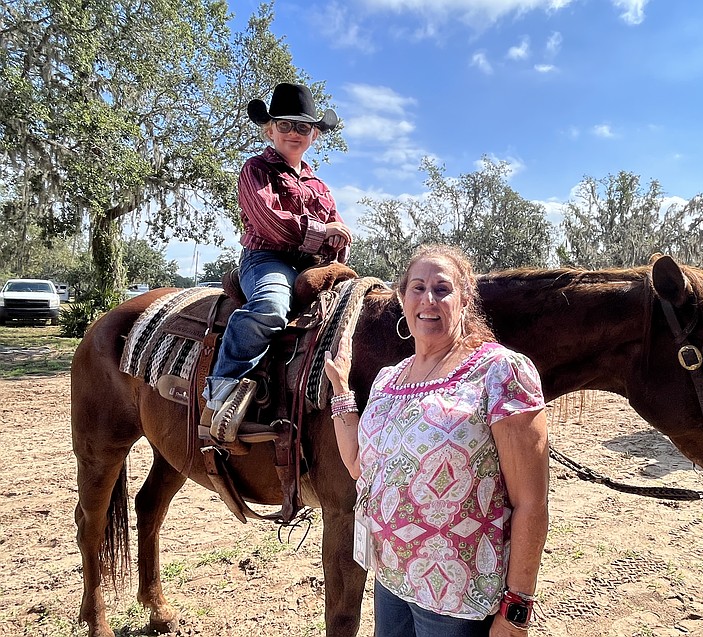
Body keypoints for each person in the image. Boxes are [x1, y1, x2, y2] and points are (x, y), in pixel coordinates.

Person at [324, 245, 549, 637]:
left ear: (464, 299)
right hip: (391, 579)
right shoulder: (388, 379)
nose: (428, 299)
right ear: (402, 298)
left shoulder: (500, 371)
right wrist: (342, 388)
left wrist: (516, 610)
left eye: (442, 288)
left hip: (459, 598)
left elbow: (530, 502)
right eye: (417, 287)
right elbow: (360, 465)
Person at [202, 82, 353, 442]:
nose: (293, 133)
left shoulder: (320, 185)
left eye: (302, 127)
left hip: (312, 264)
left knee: (355, 311)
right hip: (265, 257)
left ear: (314, 135)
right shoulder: (256, 169)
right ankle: (223, 385)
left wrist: (340, 235)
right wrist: (324, 231)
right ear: (269, 130)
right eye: (284, 125)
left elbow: (337, 222)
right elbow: (269, 220)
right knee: (271, 305)